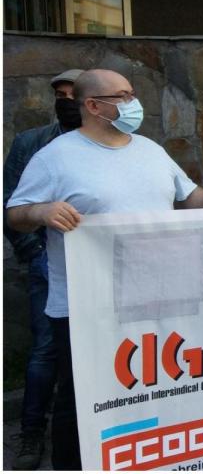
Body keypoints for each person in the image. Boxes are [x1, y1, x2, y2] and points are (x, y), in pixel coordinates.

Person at [4, 69, 203, 470]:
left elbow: (190, 196)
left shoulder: (150, 150)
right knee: (81, 398)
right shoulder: (54, 157)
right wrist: (41, 210)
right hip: (87, 308)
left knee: (152, 393)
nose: (133, 102)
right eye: (123, 95)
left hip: (159, 298)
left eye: (132, 92)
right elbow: (15, 214)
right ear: (92, 105)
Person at [2, 68, 83, 469]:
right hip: (49, 265)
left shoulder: (124, 145)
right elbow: (11, 205)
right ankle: (32, 434)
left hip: (102, 272)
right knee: (46, 352)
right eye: (60, 95)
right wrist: (35, 253)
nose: (65, 100)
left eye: (72, 93)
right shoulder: (32, 143)